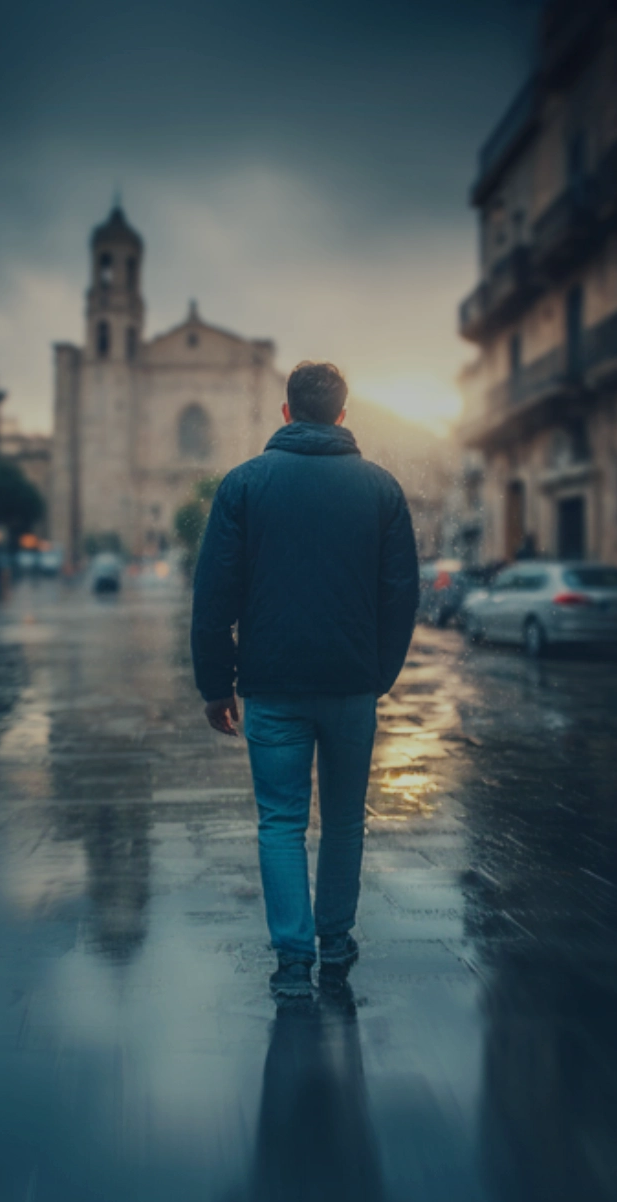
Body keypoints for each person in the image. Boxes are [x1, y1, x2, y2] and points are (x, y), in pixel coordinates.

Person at [190, 361, 419, 999]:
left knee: (281, 822)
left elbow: (213, 595)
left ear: (286, 413)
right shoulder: (381, 489)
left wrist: (216, 683)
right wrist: (379, 674)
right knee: (345, 822)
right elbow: (401, 597)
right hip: (352, 686)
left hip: (272, 687)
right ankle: (336, 946)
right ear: (343, 416)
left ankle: (293, 963)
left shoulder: (243, 486)